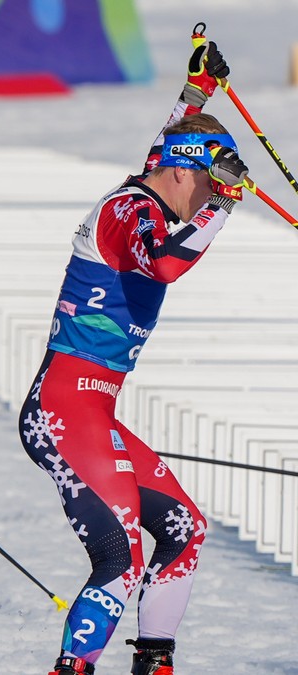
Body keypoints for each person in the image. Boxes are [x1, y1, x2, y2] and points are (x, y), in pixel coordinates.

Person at [19, 42, 248, 675]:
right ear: (184, 173)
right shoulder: (128, 212)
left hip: (95, 410)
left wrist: (197, 91)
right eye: (202, 187)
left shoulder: (155, 185)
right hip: (63, 409)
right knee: (120, 558)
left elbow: (170, 147)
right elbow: (167, 264)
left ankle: (155, 663)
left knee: (184, 530)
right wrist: (225, 206)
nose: (201, 200)